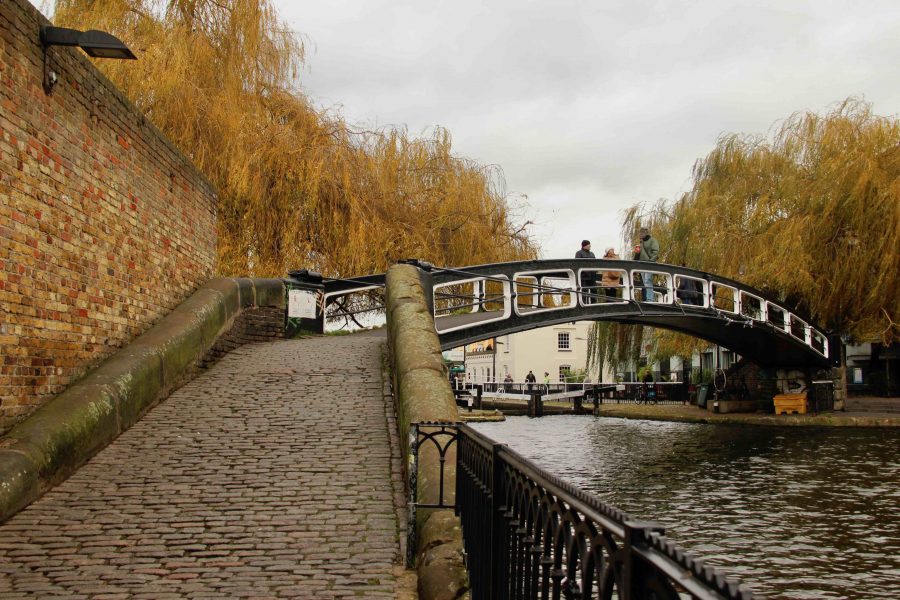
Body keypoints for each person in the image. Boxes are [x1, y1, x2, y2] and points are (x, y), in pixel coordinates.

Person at [633, 227, 659, 302]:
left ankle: (650, 299)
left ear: (645, 233)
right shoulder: (641, 243)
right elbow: (638, 256)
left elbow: (655, 252)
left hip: (649, 264)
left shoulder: (653, 240)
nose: (640, 234)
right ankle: (648, 298)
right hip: (642, 264)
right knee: (645, 282)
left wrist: (651, 261)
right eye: (640, 233)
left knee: (648, 281)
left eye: (642, 233)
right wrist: (636, 255)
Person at [575, 240, 597, 304]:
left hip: (592, 276)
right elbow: (578, 264)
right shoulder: (579, 253)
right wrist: (585, 272)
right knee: (584, 292)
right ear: (585, 245)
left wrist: (595, 271)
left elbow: (595, 263)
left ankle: (594, 305)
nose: (590, 246)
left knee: (594, 291)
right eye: (589, 244)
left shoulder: (592, 253)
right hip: (584, 277)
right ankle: (584, 305)